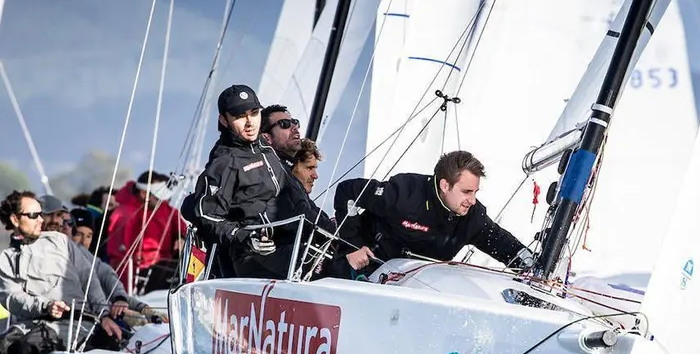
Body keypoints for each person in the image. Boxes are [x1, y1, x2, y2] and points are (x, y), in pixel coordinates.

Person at [0, 191, 124, 354]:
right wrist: (45, 305)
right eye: (35, 214)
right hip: (38, 320)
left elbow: (90, 278)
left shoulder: (60, 242)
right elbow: (12, 298)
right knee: (4, 344)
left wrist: (104, 314)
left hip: (78, 321)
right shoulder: (6, 259)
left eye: (41, 214)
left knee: (31, 345)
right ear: (16, 220)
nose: (41, 219)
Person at [334, 150, 535, 272]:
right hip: (367, 272)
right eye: (466, 192)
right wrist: (353, 245)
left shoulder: (472, 217)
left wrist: (531, 264)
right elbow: (348, 192)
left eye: (475, 192)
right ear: (445, 185)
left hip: (417, 286)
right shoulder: (404, 193)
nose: (472, 200)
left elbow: (504, 245)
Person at [189, 85, 287, 278]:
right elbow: (209, 217)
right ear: (223, 120)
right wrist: (247, 237)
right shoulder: (224, 162)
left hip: (285, 242)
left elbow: (294, 194)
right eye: (240, 117)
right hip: (249, 255)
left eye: (255, 113)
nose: (250, 122)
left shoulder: (266, 149)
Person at [282, 138, 375, 278]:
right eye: (309, 168)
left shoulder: (308, 204)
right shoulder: (286, 201)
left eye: (315, 168)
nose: (315, 176)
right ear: (291, 166)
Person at [107, 171, 185, 293]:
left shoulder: (165, 209)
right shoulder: (124, 214)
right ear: (144, 194)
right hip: (140, 274)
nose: (163, 200)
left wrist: (181, 237)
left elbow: (180, 225)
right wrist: (125, 293)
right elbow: (119, 257)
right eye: (159, 196)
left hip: (164, 266)